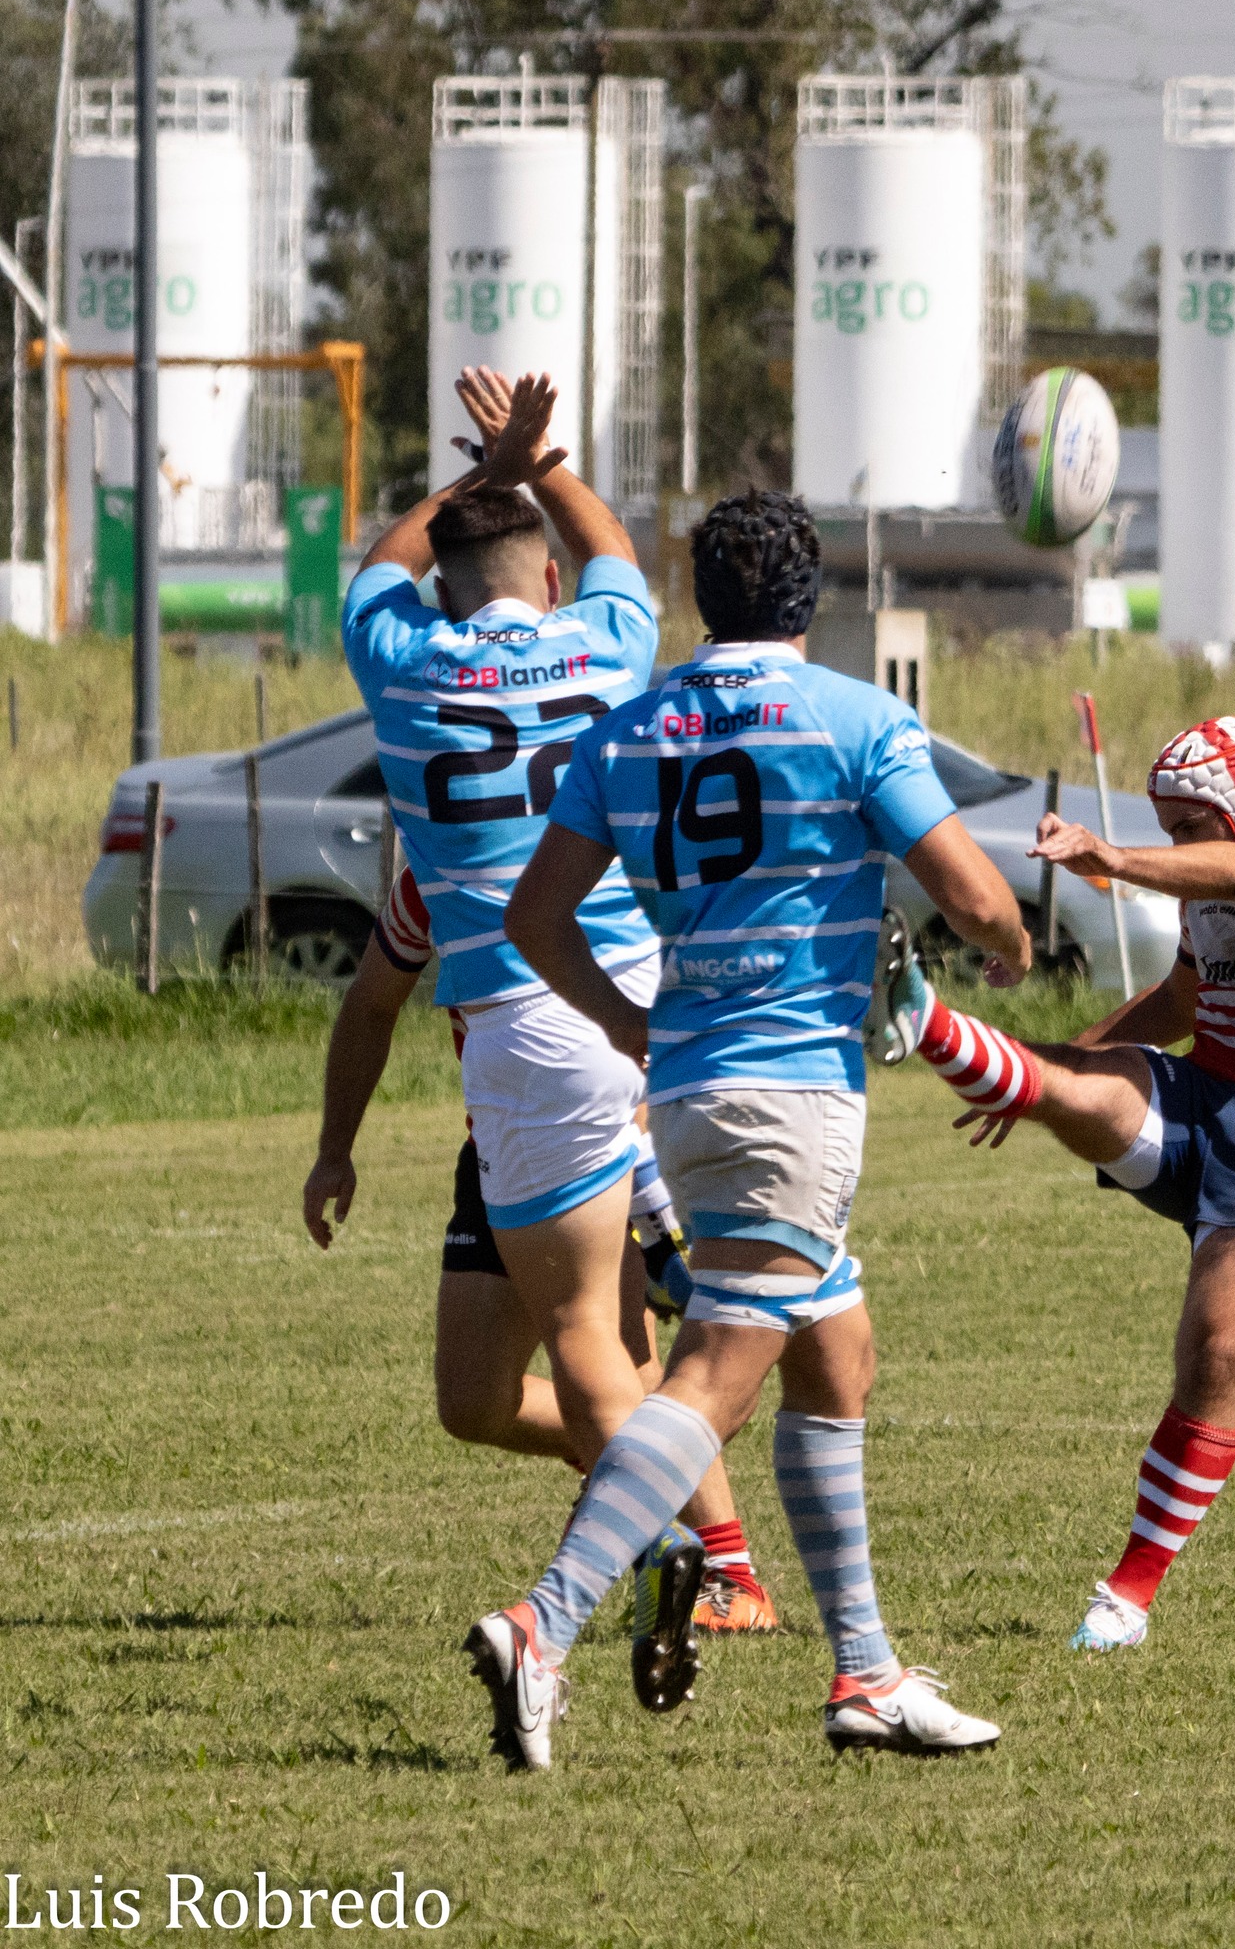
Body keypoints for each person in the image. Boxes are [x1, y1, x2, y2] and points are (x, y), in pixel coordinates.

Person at [460, 488, 1033, 1772]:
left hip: (688, 1082)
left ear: (702, 596)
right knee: (718, 1367)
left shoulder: (632, 727)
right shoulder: (856, 717)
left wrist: (628, 1021)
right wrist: (1007, 946)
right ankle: (539, 1625)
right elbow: (975, 894)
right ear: (808, 597)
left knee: (838, 1353)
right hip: (792, 1094)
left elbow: (534, 919)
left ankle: (868, 1676)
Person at [340, 368, 768, 1744]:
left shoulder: (399, 659)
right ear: (544, 567)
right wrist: (539, 458)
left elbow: (375, 571)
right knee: (546, 1361)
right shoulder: (602, 647)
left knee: (595, 1336)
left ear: (447, 581)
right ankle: (683, 1481)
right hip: (639, 1008)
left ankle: (682, 1549)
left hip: (528, 1034)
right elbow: (622, 556)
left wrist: (474, 470)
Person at [875, 716, 1235, 1654]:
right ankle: (924, 1021)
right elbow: (1176, 1003)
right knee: (1088, 1085)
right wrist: (1054, 1075)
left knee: (1216, 1351)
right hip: (1204, 1103)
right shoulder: (1209, 887)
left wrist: (1108, 855)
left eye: (1188, 827)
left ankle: (1126, 1598)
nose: (1177, 848)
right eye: (1165, 830)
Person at [299, 861, 778, 1633]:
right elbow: (371, 1002)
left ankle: (729, 1573)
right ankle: (617, 1456)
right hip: (498, 1140)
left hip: (610, 1137)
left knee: (622, 1351)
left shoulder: (607, 842)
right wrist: (334, 1149)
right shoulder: (440, 870)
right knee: (473, 1401)